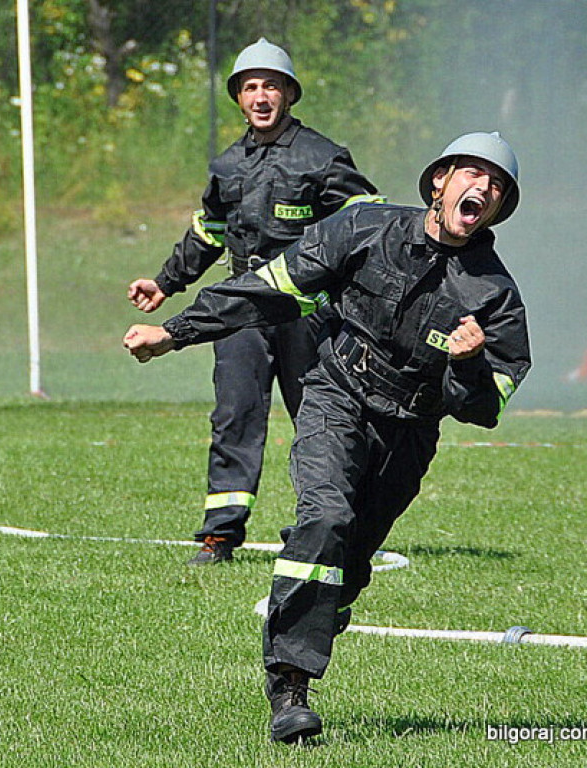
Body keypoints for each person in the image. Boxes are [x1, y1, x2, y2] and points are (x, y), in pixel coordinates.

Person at [123, 132, 530, 742]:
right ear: (440, 181)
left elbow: (482, 409)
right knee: (325, 517)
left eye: (496, 185)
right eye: (472, 173)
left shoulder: (496, 296)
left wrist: (469, 364)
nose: (483, 188)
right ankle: (290, 686)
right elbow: (265, 289)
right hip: (336, 397)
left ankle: (315, 608)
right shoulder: (364, 229)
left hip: (410, 433)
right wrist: (174, 333)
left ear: (498, 208)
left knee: (349, 563)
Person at [127, 38, 378, 564]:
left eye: (271, 86)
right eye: (250, 87)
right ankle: (220, 535)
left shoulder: (324, 158)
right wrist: (166, 282)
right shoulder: (228, 165)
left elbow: (365, 225)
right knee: (234, 417)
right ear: (239, 98)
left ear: (289, 94)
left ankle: (330, 526)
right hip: (240, 313)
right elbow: (209, 232)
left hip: (307, 313)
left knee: (320, 421)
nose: (260, 97)